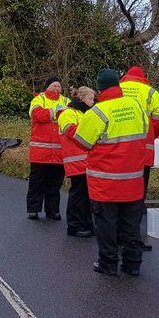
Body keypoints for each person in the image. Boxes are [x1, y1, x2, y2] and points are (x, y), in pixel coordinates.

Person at [72, 69, 149, 276]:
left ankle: (108, 263)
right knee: (131, 224)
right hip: (133, 179)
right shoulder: (137, 106)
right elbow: (147, 131)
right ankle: (133, 264)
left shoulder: (97, 112)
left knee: (106, 224)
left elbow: (82, 142)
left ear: (99, 89)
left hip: (105, 182)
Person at [120, 66, 159, 251]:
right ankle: (133, 238)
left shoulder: (117, 89)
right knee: (137, 195)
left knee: (118, 193)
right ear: (143, 78)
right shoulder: (150, 92)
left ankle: (116, 235)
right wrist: (150, 135)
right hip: (142, 152)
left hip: (118, 151)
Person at [27, 76, 70, 219]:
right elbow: (37, 115)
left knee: (55, 183)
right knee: (36, 182)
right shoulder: (39, 99)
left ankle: (52, 211)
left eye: (58, 86)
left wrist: (51, 114)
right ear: (47, 87)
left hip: (58, 152)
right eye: (54, 86)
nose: (57, 88)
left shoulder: (66, 101)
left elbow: (71, 116)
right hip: (40, 151)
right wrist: (56, 112)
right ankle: (33, 209)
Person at [58, 86, 96, 237]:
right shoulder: (68, 113)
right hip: (76, 159)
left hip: (86, 160)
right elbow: (71, 132)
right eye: (90, 99)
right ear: (81, 98)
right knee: (78, 194)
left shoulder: (85, 113)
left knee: (86, 195)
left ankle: (87, 224)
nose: (93, 102)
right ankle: (75, 226)